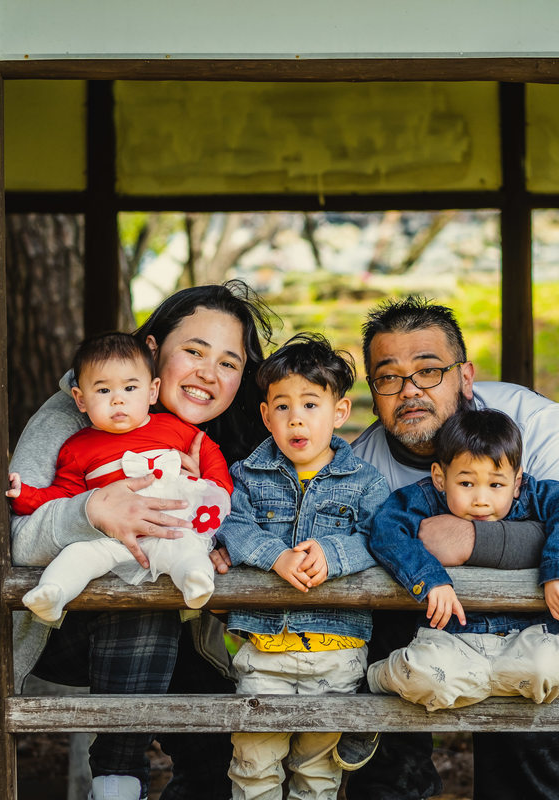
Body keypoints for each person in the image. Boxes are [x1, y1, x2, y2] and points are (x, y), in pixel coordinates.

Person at [341, 297, 559, 800]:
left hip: (550, 634)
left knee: (521, 786)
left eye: (429, 371)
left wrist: (470, 540)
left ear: (465, 376)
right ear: (373, 392)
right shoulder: (359, 466)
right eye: (388, 377)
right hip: (424, 638)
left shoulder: (534, 423)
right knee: (388, 782)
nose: (410, 390)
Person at [9, 281, 274, 800]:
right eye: (194, 351)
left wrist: (224, 537)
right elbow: (17, 541)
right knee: (143, 595)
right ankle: (118, 779)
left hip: (186, 630)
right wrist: (91, 510)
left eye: (228, 362)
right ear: (152, 350)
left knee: (224, 752)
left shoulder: (223, 436)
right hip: (60, 624)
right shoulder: (74, 417)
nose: (208, 374)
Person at [217, 333, 391, 800]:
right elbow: (230, 523)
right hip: (264, 650)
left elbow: (382, 538)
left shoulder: (365, 483)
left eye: (311, 404)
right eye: (282, 406)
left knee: (317, 774)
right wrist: (274, 555)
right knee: (254, 764)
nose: (296, 418)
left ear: (340, 412)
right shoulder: (246, 475)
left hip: (337, 652)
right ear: (265, 416)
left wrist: (334, 555)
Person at [367, 408, 559, 711]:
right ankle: (382, 677)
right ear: (440, 477)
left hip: (524, 639)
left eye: (496, 485)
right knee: (431, 678)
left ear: (517, 482)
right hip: (451, 641)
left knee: (551, 668)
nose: (481, 500)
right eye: (466, 484)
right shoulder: (424, 500)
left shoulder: (532, 496)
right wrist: (429, 580)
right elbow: (386, 530)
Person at [7, 332, 234, 621]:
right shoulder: (77, 448)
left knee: (186, 549)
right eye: (103, 391)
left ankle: (196, 581)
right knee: (79, 555)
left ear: (152, 391)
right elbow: (64, 495)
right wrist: (24, 495)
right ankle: (53, 593)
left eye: (130, 388)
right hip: (112, 540)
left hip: (171, 529)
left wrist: (213, 489)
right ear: (81, 399)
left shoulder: (174, 428)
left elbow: (211, 455)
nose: (117, 400)